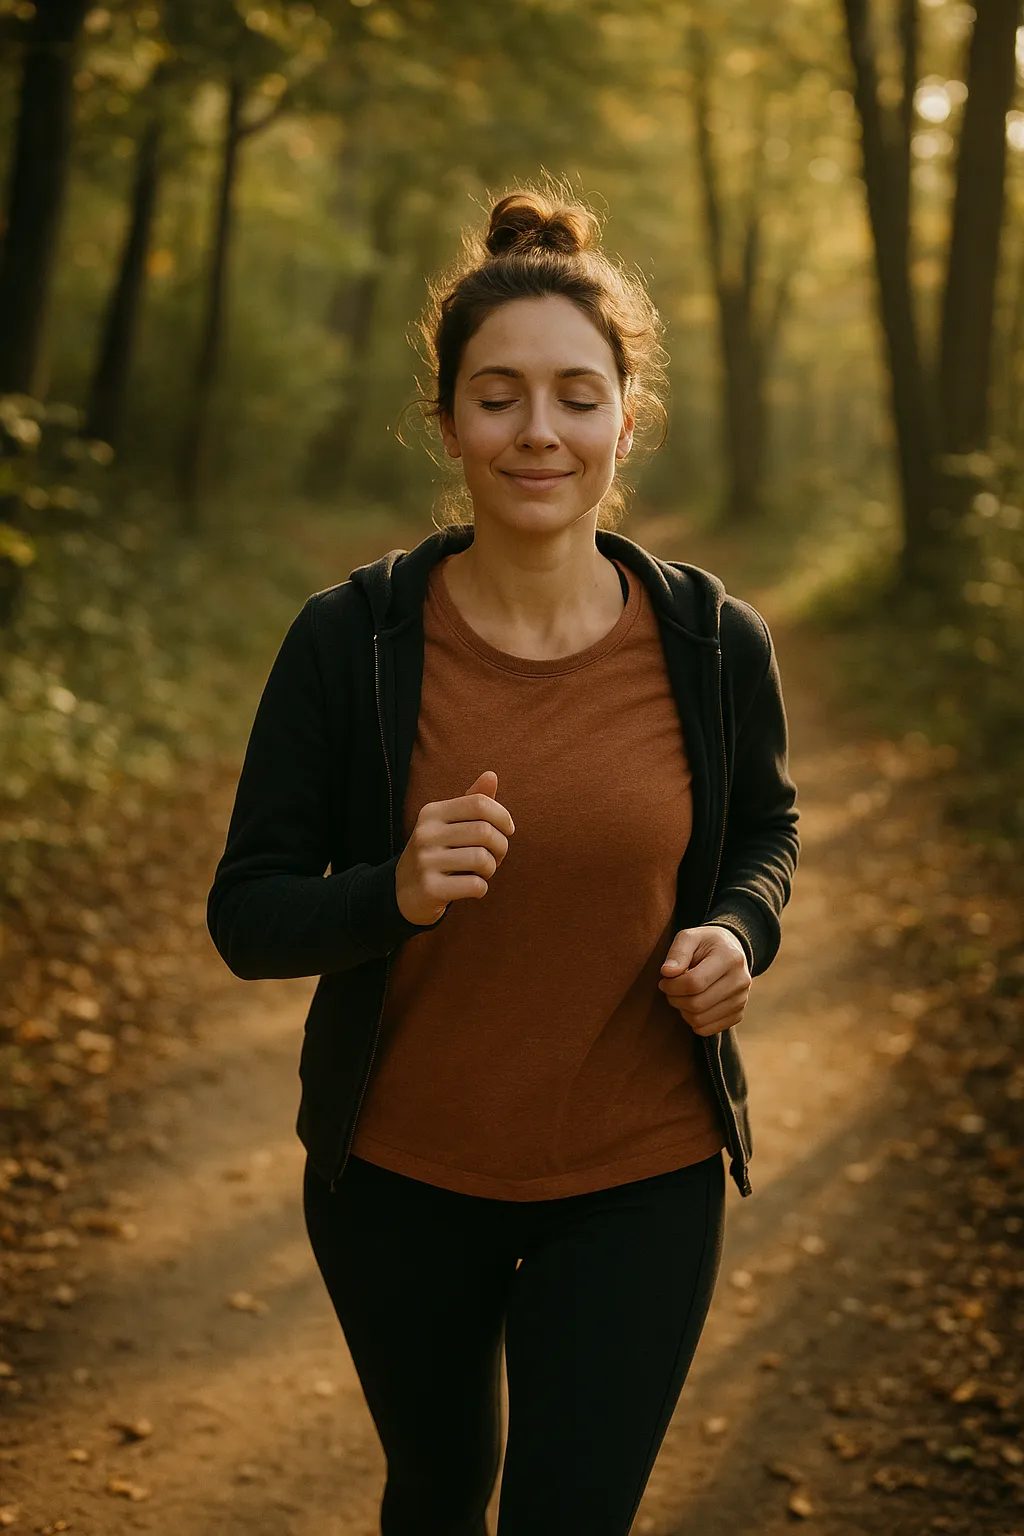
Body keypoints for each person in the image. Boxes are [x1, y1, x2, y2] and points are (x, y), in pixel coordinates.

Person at [207, 185, 800, 1536]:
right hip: (400, 1180)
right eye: (500, 396)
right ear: (449, 422)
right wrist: (392, 894)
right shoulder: (349, 643)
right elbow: (247, 915)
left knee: (568, 1511)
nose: (540, 431)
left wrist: (738, 932)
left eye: (578, 397)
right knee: (438, 1488)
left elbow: (766, 834)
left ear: (626, 420)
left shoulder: (714, 644)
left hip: (643, 1170)